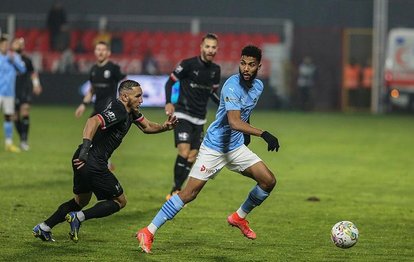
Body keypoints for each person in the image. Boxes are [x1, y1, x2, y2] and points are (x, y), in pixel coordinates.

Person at [136, 45, 280, 253]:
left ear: (259, 66)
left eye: (251, 65)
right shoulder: (231, 86)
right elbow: (234, 122)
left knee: (268, 181)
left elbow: (245, 114)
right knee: (189, 193)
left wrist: (247, 135)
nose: (246, 68)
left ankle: (239, 217)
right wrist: (263, 134)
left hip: (235, 147)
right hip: (214, 148)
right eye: (243, 63)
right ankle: (148, 231)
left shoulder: (258, 87)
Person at [32, 79, 178, 242]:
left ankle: (44, 227)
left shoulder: (131, 111)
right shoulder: (119, 110)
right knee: (119, 201)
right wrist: (86, 151)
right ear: (124, 96)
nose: (141, 100)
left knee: (81, 200)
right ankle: (78, 218)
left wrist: (165, 127)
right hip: (91, 160)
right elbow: (92, 121)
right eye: (137, 96)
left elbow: (147, 126)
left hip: (81, 158)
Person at [164, 33, 221, 200]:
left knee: (192, 156)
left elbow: (212, 93)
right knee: (184, 151)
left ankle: (177, 188)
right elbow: (170, 81)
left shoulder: (215, 70)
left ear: (217, 49)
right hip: (183, 113)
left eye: (213, 47)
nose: (210, 50)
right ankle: (175, 190)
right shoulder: (188, 64)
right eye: (207, 46)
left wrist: (225, 107)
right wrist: (168, 102)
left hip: (199, 118)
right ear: (201, 47)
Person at [75, 41, 126, 170]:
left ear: (108, 53)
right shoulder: (94, 70)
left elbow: (124, 83)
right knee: (90, 133)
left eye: (103, 50)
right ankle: (104, 163)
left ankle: (101, 163)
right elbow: (92, 89)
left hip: (109, 109)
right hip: (97, 107)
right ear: (95, 52)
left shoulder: (113, 68)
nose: (100, 52)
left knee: (97, 135)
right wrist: (83, 105)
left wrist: (124, 102)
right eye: (98, 49)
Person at [11, 37, 42, 151]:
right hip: (12, 91)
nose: (19, 45)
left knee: (25, 111)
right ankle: (22, 138)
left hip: (25, 90)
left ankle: (24, 140)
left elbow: (33, 73)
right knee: (14, 117)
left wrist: (36, 84)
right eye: (17, 43)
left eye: (21, 44)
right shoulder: (9, 59)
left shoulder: (27, 60)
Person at [0, 35, 26, 153]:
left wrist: (14, 61)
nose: (5, 46)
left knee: (8, 117)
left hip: (9, 93)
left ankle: (9, 143)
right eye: (3, 44)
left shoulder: (13, 56)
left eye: (6, 44)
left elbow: (23, 69)